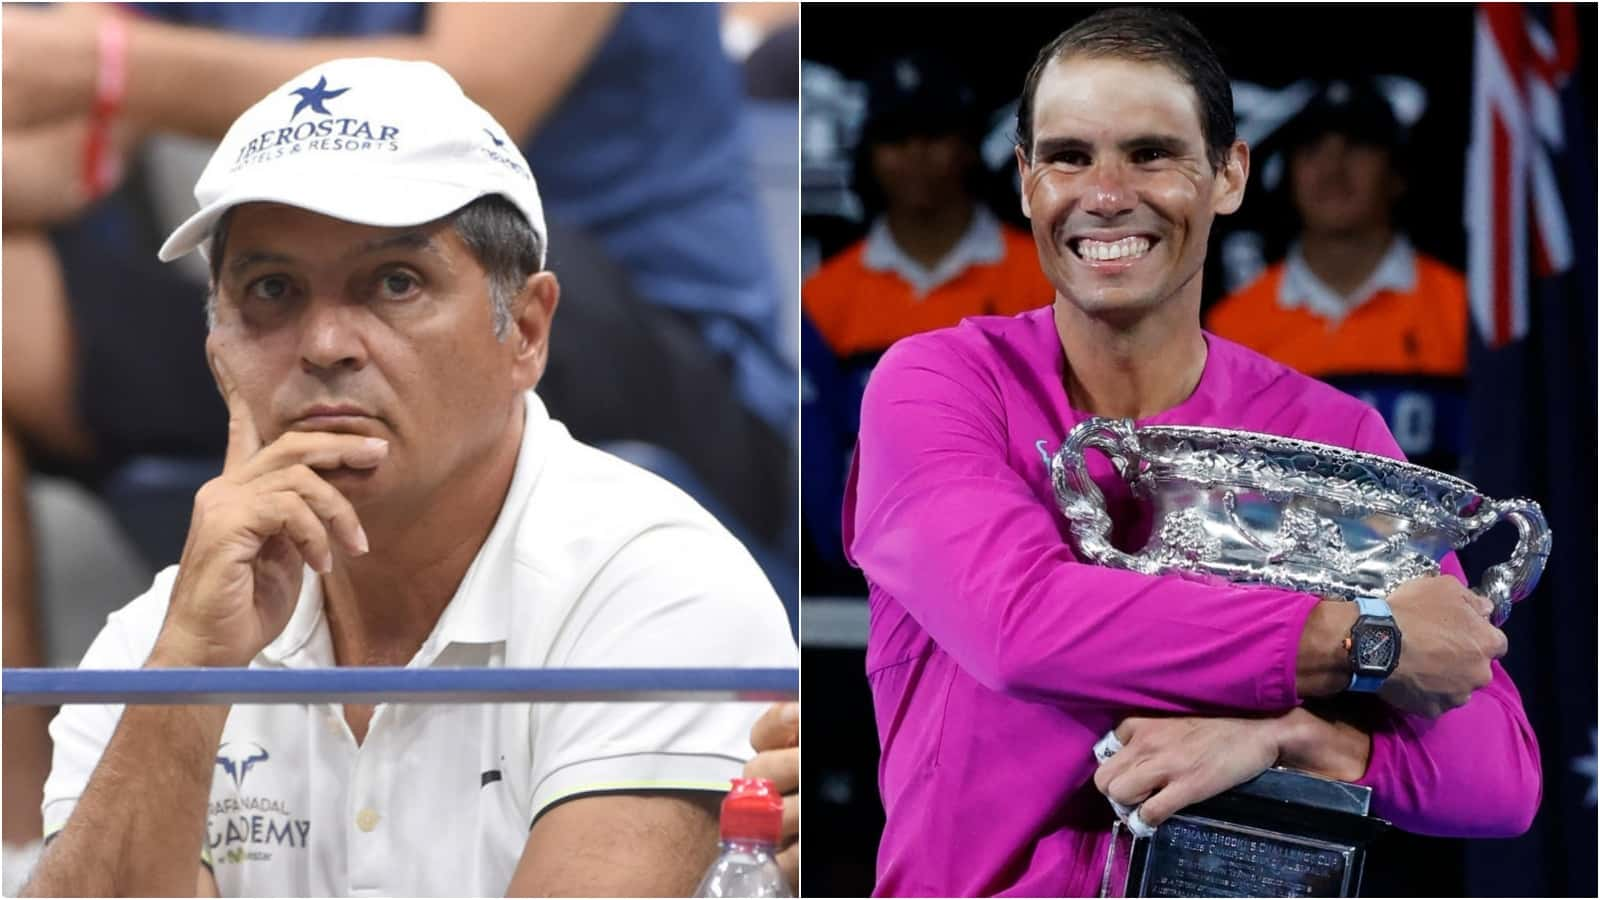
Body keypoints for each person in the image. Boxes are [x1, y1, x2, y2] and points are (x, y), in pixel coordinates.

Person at [2, 3, 795, 868]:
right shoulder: (153, 640)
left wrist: (105, 62)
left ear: (526, 331)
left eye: (394, 282)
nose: (325, 344)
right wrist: (190, 668)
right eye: (270, 291)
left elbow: (491, 79)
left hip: (683, 363)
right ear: (217, 343)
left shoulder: (660, 593)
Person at [844, 9, 1539, 897]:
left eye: (1150, 153)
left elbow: (1501, 775)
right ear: (1024, 183)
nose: (1104, 194)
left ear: (1230, 175)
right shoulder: (939, 385)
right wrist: (1360, 641)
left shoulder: (1332, 435)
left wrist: (1288, 738)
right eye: (1066, 156)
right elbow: (1017, 624)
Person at [1206, 77, 1469, 474]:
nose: (1333, 167)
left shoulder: (1463, 311)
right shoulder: (1232, 325)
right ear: (1288, 176)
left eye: (1358, 146)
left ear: (1397, 174)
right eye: (1312, 150)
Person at [803, 51, 1052, 365]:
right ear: (869, 155)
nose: (915, 153)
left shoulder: (1045, 279)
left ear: (969, 146)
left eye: (933, 133)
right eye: (895, 137)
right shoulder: (824, 297)